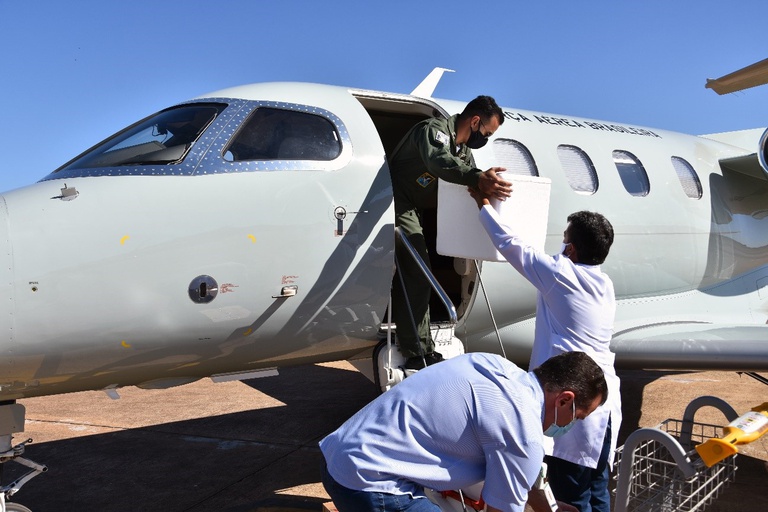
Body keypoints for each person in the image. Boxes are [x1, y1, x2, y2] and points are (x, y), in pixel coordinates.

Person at [471, 192, 621, 512]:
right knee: (597, 489)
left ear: (571, 248)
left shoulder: (559, 275)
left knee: (572, 497)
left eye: (565, 240)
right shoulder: (603, 283)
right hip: (604, 399)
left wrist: (483, 204)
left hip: (575, 399)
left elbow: (511, 245)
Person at [320, 351, 607, 512]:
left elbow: (522, 477)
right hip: (371, 484)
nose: (570, 426)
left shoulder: (493, 365)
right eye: (578, 417)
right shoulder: (524, 432)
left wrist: (550, 509)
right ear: (565, 399)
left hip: (338, 453)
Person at [388, 95, 512, 371]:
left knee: (419, 270)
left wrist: (482, 184)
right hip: (396, 202)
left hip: (416, 208)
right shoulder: (433, 131)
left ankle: (421, 346)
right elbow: (438, 162)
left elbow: (464, 174)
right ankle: (415, 350)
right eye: (487, 133)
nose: (486, 139)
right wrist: (477, 178)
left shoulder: (463, 150)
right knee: (418, 271)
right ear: (475, 121)